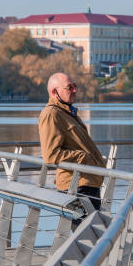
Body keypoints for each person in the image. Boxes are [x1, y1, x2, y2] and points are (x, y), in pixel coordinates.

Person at [39, 72, 105, 210]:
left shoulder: (68, 112)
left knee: (94, 230)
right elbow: (50, 155)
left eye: (75, 86)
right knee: (88, 230)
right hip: (75, 187)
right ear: (54, 92)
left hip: (87, 183)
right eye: (69, 88)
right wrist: (84, 157)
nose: (74, 90)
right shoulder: (51, 114)